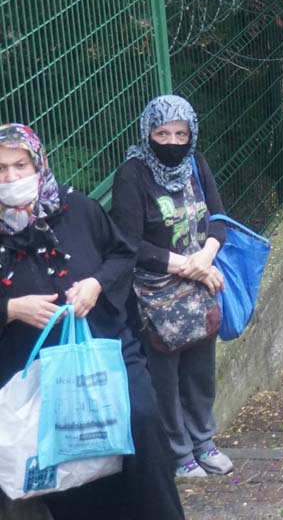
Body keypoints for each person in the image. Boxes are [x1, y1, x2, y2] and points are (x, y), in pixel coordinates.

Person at [0, 124, 185, 519]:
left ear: (39, 163)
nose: (12, 177)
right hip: (36, 371)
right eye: (1, 169)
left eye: (20, 165)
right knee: (72, 462)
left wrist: (95, 285)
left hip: (105, 349)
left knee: (142, 425)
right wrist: (12, 309)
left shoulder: (77, 208)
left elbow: (121, 254)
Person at [109, 96, 233, 479]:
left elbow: (219, 219)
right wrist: (189, 267)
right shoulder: (132, 175)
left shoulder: (196, 164)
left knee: (200, 371)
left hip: (199, 287)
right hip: (155, 295)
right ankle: (178, 453)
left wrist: (206, 256)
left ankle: (203, 441)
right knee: (165, 377)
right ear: (148, 132)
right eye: (162, 133)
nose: (173, 142)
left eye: (181, 133)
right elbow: (129, 244)